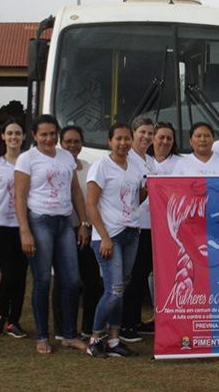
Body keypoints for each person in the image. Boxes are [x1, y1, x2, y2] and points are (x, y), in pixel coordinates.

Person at [14, 114, 89, 355]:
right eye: (44, 134)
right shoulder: (27, 159)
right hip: (39, 222)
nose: (49, 139)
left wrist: (83, 222)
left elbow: (76, 192)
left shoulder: (66, 157)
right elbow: (19, 197)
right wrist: (25, 230)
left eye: (52, 134)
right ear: (34, 135)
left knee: (72, 281)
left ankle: (69, 334)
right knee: (43, 281)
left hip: (64, 223)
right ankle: (43, 336)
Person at [85, 122, 147, 358]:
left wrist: (149, 188)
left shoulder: (136, 166)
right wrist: (104, 237)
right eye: (118, 139)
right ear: (109, 141)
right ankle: (95, 339)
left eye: (127, 138)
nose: (123, 143)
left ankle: (113, 339)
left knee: (122, 288)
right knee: (115, 290)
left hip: (131, 233)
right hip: (109, 236)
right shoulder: (101, 166)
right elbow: (91, 204)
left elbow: (135, 199)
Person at [0, 120, 28, 339]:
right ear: (3, 136)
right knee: (9, 273)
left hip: (24, 227)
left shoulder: (29, 162)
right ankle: (1, 315)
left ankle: (14, 320)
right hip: (1, 227)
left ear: (24, 136)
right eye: (9, 133)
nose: (13, 137)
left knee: (21, 274)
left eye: (18, 133)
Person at [54, 125, 100, 338]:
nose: (72, 145)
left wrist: (87, 225)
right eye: (68, 142)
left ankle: (88, 328)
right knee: (63, 281)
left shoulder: (90, 168)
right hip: (63, 230)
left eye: (76, 141)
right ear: (61, 143)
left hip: (87, 230)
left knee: (92, 281)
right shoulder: (56, 167)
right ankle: (62, 329)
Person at [121, 117, 159, 343]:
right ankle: (125, 324)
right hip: (133, 226)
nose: (146, 137)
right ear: (133, 132)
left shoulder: (151, 161)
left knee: (142, 275)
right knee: (132, 277)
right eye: (142, 132)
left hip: (150, 226)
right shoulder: (127, 159)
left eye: (150, 133)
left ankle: (135, 320)